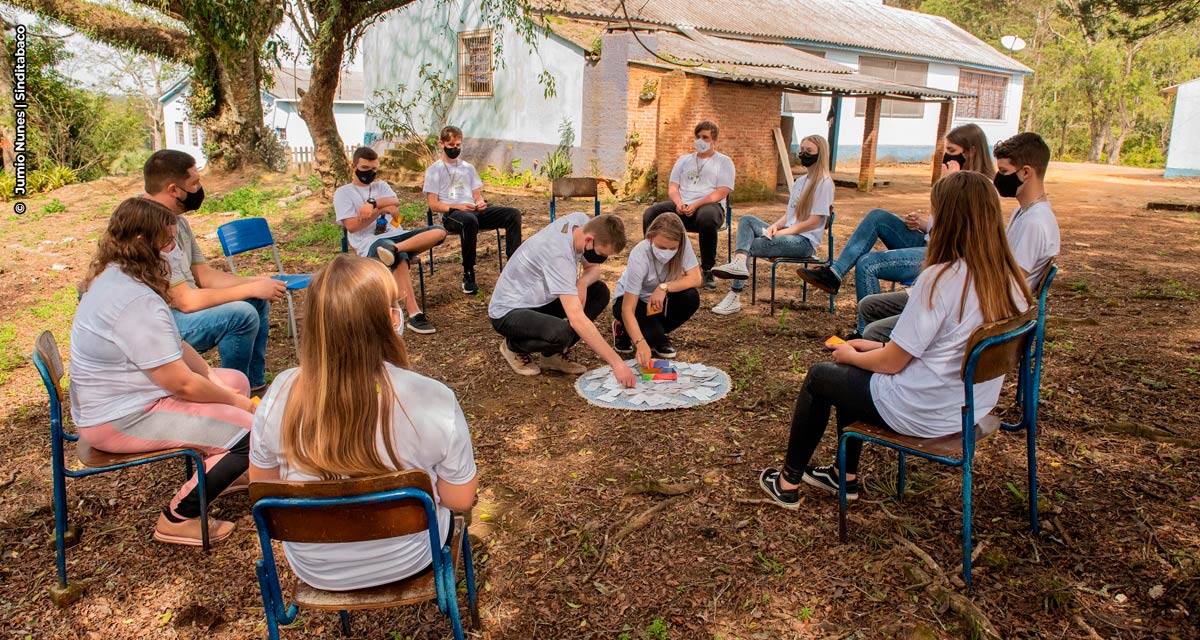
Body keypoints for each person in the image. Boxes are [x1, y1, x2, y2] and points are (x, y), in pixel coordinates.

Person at [756, 171, 1032, 507]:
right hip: (967, 406)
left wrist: (850, 355)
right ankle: (845, 475)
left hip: (923, 410)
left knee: (822, 377)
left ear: (949, 219)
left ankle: (787, 482)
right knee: (853, 373)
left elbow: (892, 363)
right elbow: (934, 348)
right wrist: (868, 346)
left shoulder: (940, 279)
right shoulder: (1012, 281)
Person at [249, 255, 477, 591]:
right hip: (410, 557)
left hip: (316, 567)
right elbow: (459, 500)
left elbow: (263, 491)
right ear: (390, 319)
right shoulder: (433, 398)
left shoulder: (279, 393)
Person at [69, 198, 255, 545]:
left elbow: (176, 345)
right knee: (251, 434)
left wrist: (216, 383)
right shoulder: (134, 300)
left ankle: (224, 467)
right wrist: (238, 406)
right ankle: (178, 517)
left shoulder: (120, 276)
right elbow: (180, 383)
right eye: (168, 242)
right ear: (142, 241)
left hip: (126, 397)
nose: (173, 250)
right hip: (122, 417)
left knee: (236, 381)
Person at [858, 132, 1060, 343]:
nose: (999, 177)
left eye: (1004, 171)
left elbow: (1010, 283)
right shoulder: (1026, 213)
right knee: (872, 306)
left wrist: (953, 291)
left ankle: (884, 362)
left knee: (875, 330)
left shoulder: (1035, 223)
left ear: (1026, 172)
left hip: (980, 311)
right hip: (973, 299)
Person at [796, 124, 995, 307]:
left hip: (945, 254)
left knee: (868, 263)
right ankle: (834, 274)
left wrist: (949, 185)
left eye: (952, 152)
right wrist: (921, 224)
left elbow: (959, 231)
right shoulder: (953, 179)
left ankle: (868, 331)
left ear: (971, 152)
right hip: (927, 241)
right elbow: (939, 224)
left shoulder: (983, 187)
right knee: (877, 216)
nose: (946, 158)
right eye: (945, 151)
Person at [143, 150, 286, 396]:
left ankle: (253, 384)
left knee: (257, 300)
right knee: (240, 314)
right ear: (173, 189)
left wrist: (257, 282)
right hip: (164, 320)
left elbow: (204, 275)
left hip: (183, 307)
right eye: (195, 183)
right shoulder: (148, 225)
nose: (200, 188)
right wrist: (249, 288)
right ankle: (233, 392)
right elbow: (185, 301)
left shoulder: (179, 222)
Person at [489, 213, 638, 386]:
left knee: (599, 292)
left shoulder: (581, 223)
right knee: (562, 333)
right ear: (589, 240)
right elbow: (577, 320)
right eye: (601, 254)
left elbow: (593, 270)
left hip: (540, 300)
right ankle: (513, 346)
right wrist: (617, 363)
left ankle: (551, 355)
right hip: (509, 310)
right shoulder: (558, 255)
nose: (601, 259)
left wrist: (582, 282)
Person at [709, 134, 834, 315]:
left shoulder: (824, 183)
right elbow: (790, 214)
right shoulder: (800, 181)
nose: (804, 154)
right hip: (788, 234)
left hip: (803, 243)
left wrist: (784, 233)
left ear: (820, 154)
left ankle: (734, 295)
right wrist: (775, 226)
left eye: (809, 151)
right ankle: (740, 262)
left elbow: (815, 222)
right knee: (747, 220)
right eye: (802, 150)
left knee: (749, 245)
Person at [335, 146, 447, 334]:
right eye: (365, 169)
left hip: (396, 237)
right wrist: (380, 210)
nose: (370, 173)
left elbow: (394, 201)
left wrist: (373, 205)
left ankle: (394, 249)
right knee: (400, 258)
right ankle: (414, 314)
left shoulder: (381, 186)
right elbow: (352, 226)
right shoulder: (343, 192)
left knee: (438, 231)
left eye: (373, 170)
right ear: (353, 166)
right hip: (370, 244)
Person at [425, 126, 523, 295]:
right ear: (441, 143)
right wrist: (458, 206)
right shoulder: (435, 170)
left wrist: (480, 202)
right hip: (452, 214)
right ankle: (468, 273)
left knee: (512, 214)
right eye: (451, 145)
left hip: (473, 211)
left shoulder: (467, 167)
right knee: (469, 221)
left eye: (458, 145)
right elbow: (433, 205)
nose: (455, 149)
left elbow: (477, 195)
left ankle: (514, 268)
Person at [642, 120, 735, 289]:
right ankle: (650, 261)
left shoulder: (724, 162)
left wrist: (696, 204)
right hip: (682, 206)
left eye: (705, 137)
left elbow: (722, 191)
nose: (700, 140)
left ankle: (707, 270)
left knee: (707, 216)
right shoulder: (684, 160)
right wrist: (679, 203)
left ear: (714, 140)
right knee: (651, 213)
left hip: (709, 206)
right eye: (698, 137)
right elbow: (673, 187)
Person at [612, 212, 702, 365]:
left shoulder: (683, 245)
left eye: (672, 248)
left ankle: (656, 333)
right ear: (650, 237)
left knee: (691, 297)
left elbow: (696, 278)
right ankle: (623, 327)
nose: (666, 252)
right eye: (661, 247)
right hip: (632, 301)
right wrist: (640, 343)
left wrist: (663, 288)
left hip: (658, 301)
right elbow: (627, 308)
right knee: (649, 339)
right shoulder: (640, 255)